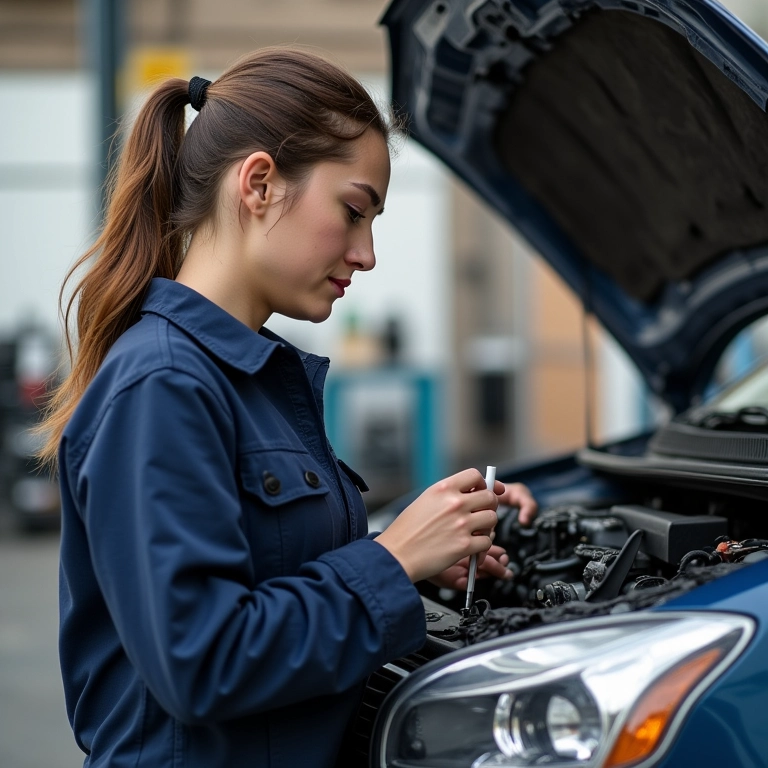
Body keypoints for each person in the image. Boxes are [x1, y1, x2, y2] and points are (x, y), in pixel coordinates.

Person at [38, 47, 537, 768]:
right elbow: (202, 660)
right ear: (260, 184)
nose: (366, 254)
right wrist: (390, 562)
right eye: (354, 211)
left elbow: (268, 570)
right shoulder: (163, 385)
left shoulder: (248, 376)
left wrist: (425, 554)